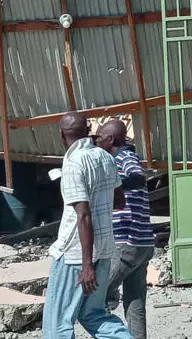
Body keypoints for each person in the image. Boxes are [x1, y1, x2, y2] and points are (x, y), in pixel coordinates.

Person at [43, 112, 133, 339]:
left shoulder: (73, 163)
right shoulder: (105, 158)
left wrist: (86, 266)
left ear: (62, 135)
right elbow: (119, 201)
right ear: (88, 129)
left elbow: (83, 216)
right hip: (103, 252)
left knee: (57, 325)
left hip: (75, 256)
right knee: (94, 315)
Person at [96, 119, 153, 339]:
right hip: (141, 243)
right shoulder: (116, 159)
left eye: (99, 136)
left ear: (110, 139)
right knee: (135, 302)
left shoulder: (124, 157)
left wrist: (114, 187)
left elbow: (138, 178)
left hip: (126, 242)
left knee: (96, 297)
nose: (96, 140)